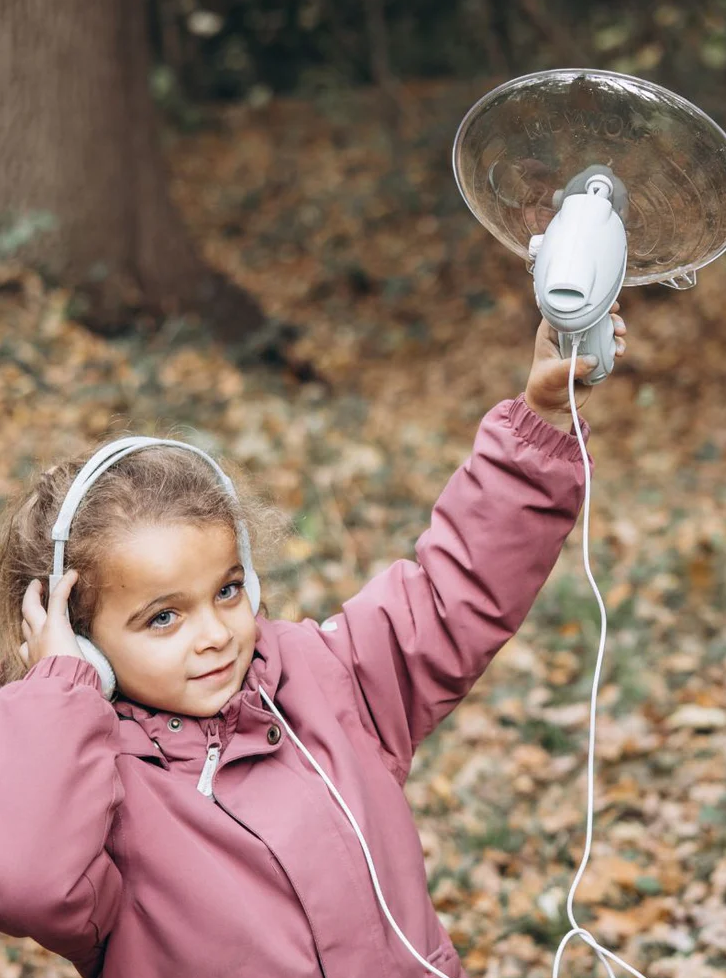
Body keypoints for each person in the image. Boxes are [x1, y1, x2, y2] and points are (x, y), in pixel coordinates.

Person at [0, 310, 628, 978]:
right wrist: (58, 691)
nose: (214, 635)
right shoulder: (98, 789)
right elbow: (28, 882)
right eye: (162, 619)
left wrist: (541, 420)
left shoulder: (324, 680)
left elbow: (454, 593)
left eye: (227, 590)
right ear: (82, 641)